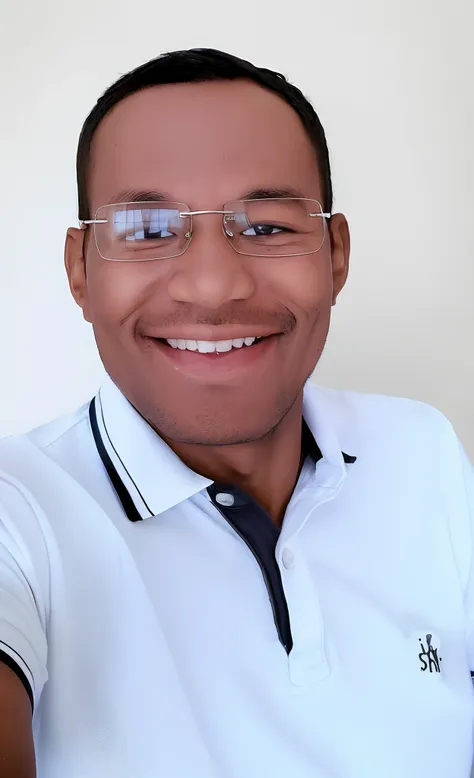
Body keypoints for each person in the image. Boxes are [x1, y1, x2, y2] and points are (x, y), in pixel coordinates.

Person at [0, 47, 473, 778]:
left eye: (268, 226)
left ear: (336, 254)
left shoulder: (422, 447)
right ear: (78, 269)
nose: (215, 287)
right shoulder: (17, 510)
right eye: (148, 229)